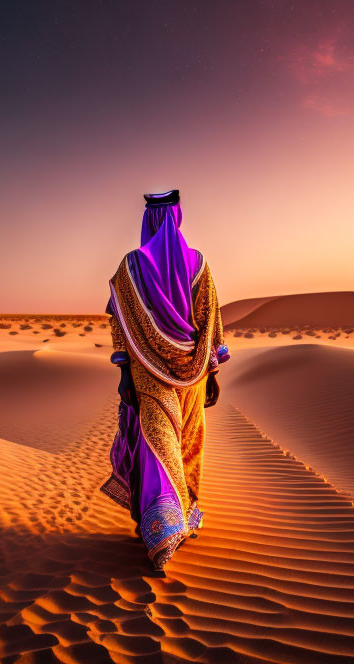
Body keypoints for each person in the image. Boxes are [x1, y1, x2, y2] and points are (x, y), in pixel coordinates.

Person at [99, 189, 230, 569]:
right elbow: (211, 323)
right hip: (192, 373)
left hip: (147, 373)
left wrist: (125, 372)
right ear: (178, 218)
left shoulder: (130, 267)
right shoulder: (199, 264)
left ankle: (162, 527)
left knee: (158, 446)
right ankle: (170, 529)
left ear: (148, 220)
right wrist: (212, 371)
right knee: (182, 443)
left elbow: (118, 324)